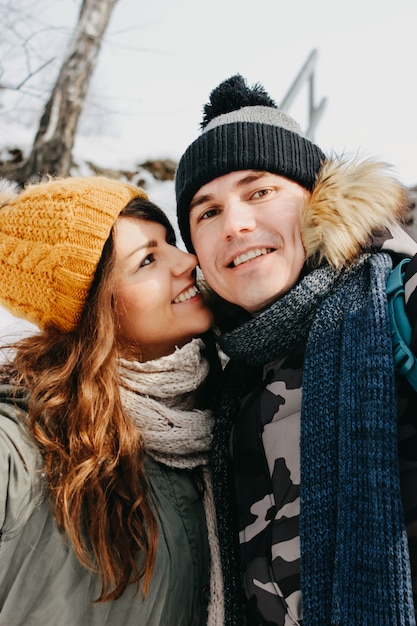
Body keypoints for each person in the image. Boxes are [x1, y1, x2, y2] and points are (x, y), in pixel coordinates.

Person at [175, 74, 417, 626]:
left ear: (319, 203)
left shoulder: (398, 302)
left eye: (260, 192)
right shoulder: (225, 381)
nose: (235, 224)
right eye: (207, 212)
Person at [0, 175, 224, 626]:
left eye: (169, 243)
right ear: (93, 310)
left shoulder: (226, 399)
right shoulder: (32, 441)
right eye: (147, 260)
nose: (187, 261)